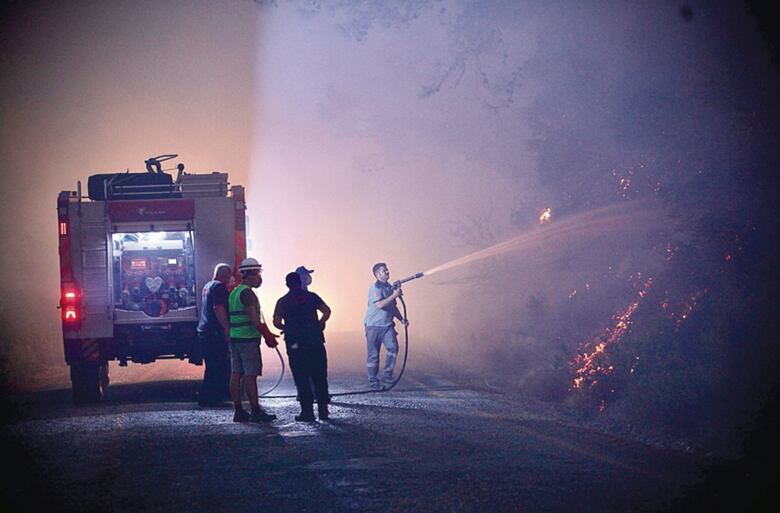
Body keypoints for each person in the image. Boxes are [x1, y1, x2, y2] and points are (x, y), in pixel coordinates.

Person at [273, 272, 332, 421]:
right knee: (319, 375)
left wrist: (286, 327)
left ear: (287, 284)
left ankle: (307, 412)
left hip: (295, 344)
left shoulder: (283, 301)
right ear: (300, 282)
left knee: (301, 377)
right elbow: (327, 311)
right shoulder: (312, 296)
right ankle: (323, 411)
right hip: (315, 341)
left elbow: (276, 321)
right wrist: (320, 323)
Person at [228, 257, 279, 422]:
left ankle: (238, 411)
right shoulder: (247, 293)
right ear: (249, 274)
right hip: (248, 339)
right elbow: (253, 318)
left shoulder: (234, 292)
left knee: (236, 374)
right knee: (250, 375)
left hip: (235, 338)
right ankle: (256, 411)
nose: (259, 277)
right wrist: (267, 335)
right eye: (257, 273)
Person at [364, 262, 408, 390]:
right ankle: (373, 382)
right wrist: (394, 295)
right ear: (377, 274)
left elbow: (392, 307)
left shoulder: (389, 287)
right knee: (373, 355)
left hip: (387, 326)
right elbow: (380, 305)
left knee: (393, 348)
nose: (387, 272)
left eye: (387, 270)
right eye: (384, 271)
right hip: (373, 326)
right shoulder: (375, 288)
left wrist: (401, 319)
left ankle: (387, 376)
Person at [195, 263, 232, 406]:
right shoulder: (219, 287)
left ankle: (207, 396)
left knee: (211, 367)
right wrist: (226, 328)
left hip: (204, 332)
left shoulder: (208, 285)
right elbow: (219, 308)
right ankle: (212, 398)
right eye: (229, 276)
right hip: (214, 333)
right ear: (225, 275)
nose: (230, 279)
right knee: (218, 366)